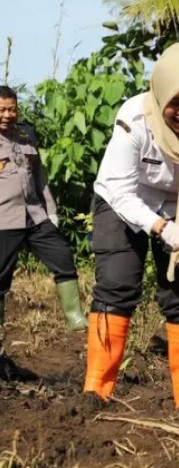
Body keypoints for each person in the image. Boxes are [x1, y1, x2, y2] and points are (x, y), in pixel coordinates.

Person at [83, 43, 179, 411]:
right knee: (117, 286)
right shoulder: (134, 118)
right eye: (176, 103)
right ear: (160, 92)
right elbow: (118, 188)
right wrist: (162, 228)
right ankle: (97, 391)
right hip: (123, 203)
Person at [0, 85, 87, 378]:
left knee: (63, 256)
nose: (8, 115)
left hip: (34, 215)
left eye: (12, 109)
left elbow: (39, 175)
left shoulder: (27, 134)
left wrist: (51, 211)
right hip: (3, 220)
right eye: (2, 110)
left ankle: (75, 317)